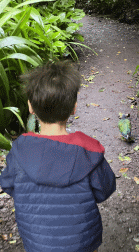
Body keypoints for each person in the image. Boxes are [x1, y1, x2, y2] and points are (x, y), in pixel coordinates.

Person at [0, 60, 116, 252]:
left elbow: (9, 184)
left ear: (30, 106)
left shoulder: (19, 152)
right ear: (74, 108)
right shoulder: (88, 153)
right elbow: (105, 189)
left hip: (37, 243)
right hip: (83, 243)